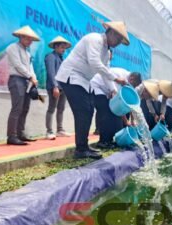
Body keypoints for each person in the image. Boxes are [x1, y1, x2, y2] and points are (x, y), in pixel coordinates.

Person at [55, 21, 129, 159]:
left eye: (121, 41)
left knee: (88, 110)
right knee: (84, 111)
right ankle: (81, 149)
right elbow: (95, 63)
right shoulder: (95, 39)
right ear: (111, 32)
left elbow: (104, 72)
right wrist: (116, 78)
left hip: (83, 80)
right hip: (71, 75)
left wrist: (113, 90)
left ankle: (83, 146)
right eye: (118, 39)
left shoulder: (106, 52)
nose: (119, 43)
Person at [6, 26, 40, 145]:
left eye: (31, 39)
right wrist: (30, 76)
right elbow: (17, 65)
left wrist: (34, 77)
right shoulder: (12, 48)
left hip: (26, 81)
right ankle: (12, 136)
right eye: (28, 39)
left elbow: (30, 67)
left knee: (25, 108)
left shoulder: (27, 52)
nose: (30, 41)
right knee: (17, 108)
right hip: (16, 80)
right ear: (21, 37)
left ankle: (20, 133)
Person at [91, 67, 140, 148]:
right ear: (132, 79)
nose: (133, 87)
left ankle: (109, 140)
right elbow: (119, 104)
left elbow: (129, 105)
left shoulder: (127, 79)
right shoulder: (121, 79)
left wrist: (132, 120)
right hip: (97, 87)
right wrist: (126, 121)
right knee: (105, 113)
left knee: (111, 115)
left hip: (106, 91)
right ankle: (103, 142)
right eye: (134, 85)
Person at [45, 36, 72, 140]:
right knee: (51, 108)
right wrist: (55, 86)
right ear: (55, 46)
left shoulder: (62, 59)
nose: (63, 49)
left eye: (65, 48)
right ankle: (49, 131)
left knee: (61, 109)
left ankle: (60, 130)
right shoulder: (50, 57)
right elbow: (51, 73)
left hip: (63, 87)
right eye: (61, 47)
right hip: (54, 87)